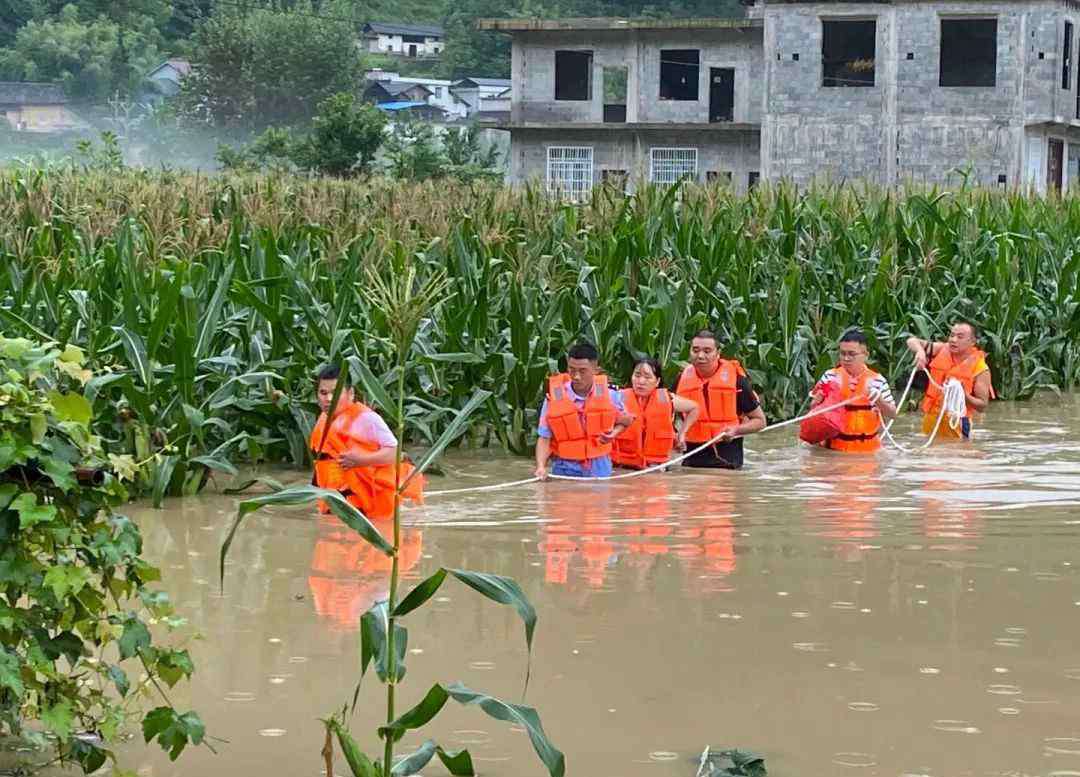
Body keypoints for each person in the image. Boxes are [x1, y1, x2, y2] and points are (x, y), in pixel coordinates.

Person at [310, 364, 423, 519]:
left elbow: (395, 452)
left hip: (366, 506)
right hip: (334, 499)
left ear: (350, 394)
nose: (329, 399)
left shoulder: (367, 419)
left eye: (335, 393)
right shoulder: (324, 419)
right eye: (323, 393)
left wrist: (360, 460)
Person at [534, 342, 635, 480]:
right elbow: (544, 437)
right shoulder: (553, 398)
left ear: (596, 370)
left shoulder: (611, 395)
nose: (576, 376)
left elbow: (626, 421)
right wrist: (540, 466)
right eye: (571, 370)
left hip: (599, 468)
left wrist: (614, 433)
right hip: (564, 468)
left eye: (582, 371)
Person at [673, 330, 767, 469]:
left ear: (718, 353)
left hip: (727, 463)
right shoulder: (681, 380)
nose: (700, 356)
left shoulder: (738, 382)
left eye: (707, 351)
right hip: (691, 464)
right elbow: (669, 417)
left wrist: (736, 430)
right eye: (695, 350)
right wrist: (678, 436)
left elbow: (760, 421)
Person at [809, 329, 897, 453]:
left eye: (852, 354)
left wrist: (879, 401)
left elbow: (893, 414)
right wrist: (817, 402)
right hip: (832, 454)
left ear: (866, 355)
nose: (846, 358)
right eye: (842, 353)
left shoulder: (878, 381)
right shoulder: (830, 377)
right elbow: (812, 410)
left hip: (867, 455)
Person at [905, 321, 994, 440]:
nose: (953, 340)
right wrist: (920, 352)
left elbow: (982, 406)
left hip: (957, 422)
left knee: (956, 454)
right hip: (931, 417)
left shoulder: (981, 369)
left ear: (972, 342)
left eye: (960, 337)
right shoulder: (941, 349)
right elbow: (911, 341)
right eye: (952, 335)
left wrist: (963, 394)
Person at [611, 357, 701, 469]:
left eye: (647, 377)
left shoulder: (667, 399)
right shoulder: (618, 399)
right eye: (637, 375)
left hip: (655, 469)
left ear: (657, 381)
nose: (641, 381)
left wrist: (681, 435)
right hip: (621, 469)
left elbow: (694, 408)